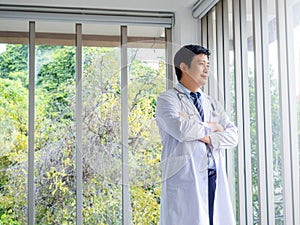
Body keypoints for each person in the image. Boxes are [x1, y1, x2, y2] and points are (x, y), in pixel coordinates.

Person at [156, 44, 238, 225]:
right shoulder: (167, 99)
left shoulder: (211, 103)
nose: (206, 69)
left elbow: (233, 136)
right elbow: (181, 130)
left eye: (208, 64)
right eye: (201, 64)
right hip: (185, 177)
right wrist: (213, 126)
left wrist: (206, 135)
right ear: (184, 67)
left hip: (212, 174)